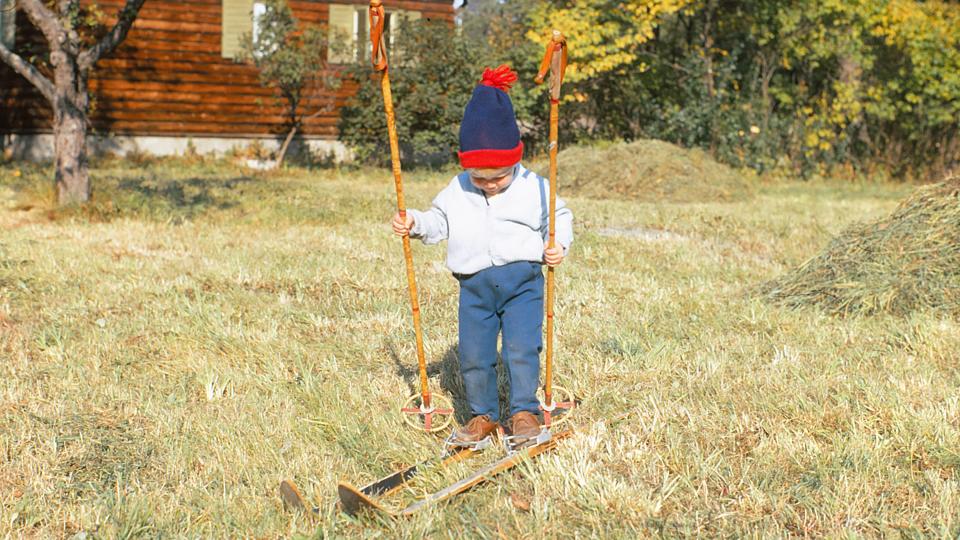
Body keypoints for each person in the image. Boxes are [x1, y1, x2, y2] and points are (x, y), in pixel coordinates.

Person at [391, 65, 573, 446]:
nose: (489, 184)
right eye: (480, 177)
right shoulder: (458, 189)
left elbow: (558, 216)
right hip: (474, 288)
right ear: (465, 166)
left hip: (522, 284)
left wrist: (557, 245)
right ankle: (483, 416)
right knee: (474, 355)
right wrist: (416, 223)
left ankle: (523, 411)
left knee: (521, 348)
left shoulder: (533, 186)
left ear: (515, 160)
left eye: (498, 176)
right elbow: (439, 221)